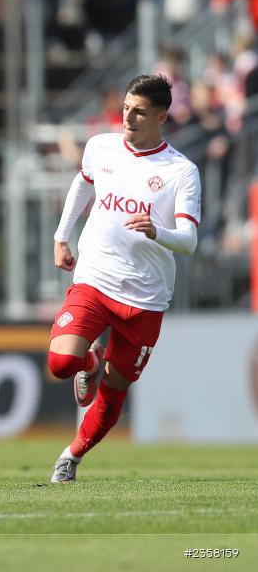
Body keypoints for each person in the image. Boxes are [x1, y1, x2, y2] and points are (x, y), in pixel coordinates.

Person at [47, 74, 201, 483]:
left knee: (115, 390)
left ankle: (72, 456)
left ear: (161, 117)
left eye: (139, 112)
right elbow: (84, 184)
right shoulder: (102, 146)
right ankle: (90, 360)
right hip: (95, 279)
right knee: (63, 362)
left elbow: (189, 240)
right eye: (126, 108)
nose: (128, 118)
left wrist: (156, 231)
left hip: (145, 297)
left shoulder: (181, 172)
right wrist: (62, 236)